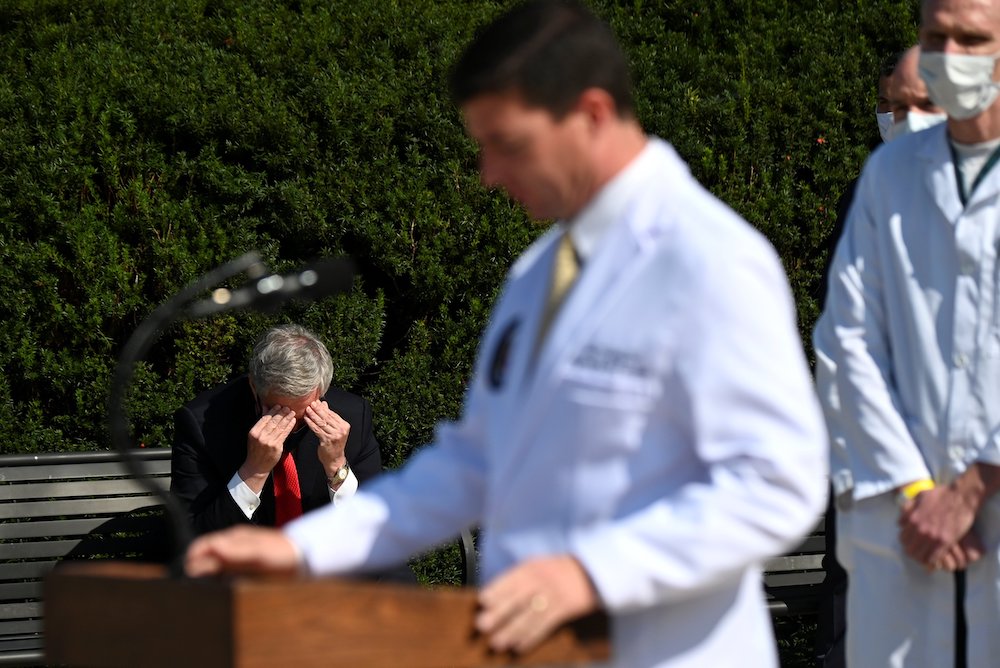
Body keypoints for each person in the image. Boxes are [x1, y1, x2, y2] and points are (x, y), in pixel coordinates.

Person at [185, 2, 828, 666]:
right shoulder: (537, 273)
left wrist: (587, 575)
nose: (490, 173)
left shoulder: (708, 260)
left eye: (508, 144)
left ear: (592, 114)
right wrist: (302, 548)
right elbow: (478, 461)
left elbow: (777, 481)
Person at [813, 0, 1000, 665]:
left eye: (971, 40)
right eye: (936, 37)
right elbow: (847, 343)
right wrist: (917, 490)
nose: (952, 56)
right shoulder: (882, 184)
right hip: (891, 509)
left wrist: (972, 486)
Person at [814, 44, 948, 668]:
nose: (904, 119)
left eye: (923, 105)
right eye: (893, 106)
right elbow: (842, 350)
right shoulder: (865, 202)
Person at [170, 324, 383, 534]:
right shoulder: (203, 424)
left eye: (304, 415)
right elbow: (192, 537)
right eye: (279, 413)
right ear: (254, 386)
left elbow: (374, 527)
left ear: (321, 391)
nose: (289, 428)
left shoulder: (352, 416)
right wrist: (253, 472)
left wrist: (337, 465)